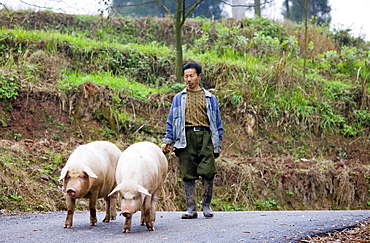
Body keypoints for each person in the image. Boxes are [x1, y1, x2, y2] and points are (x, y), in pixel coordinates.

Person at [161, 62, 224, 219]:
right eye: (186, 76)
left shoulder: (210, 98)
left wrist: (218, 143)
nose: (188, 79)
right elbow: (172, 120)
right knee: (188, 173)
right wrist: (168, 140)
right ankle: (191, 209)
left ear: (199, 76)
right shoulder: (178, 98)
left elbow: (217, 122)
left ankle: (207, 206)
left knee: (208, 171)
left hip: (205, 137)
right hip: (185, 137)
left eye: (191, 76)